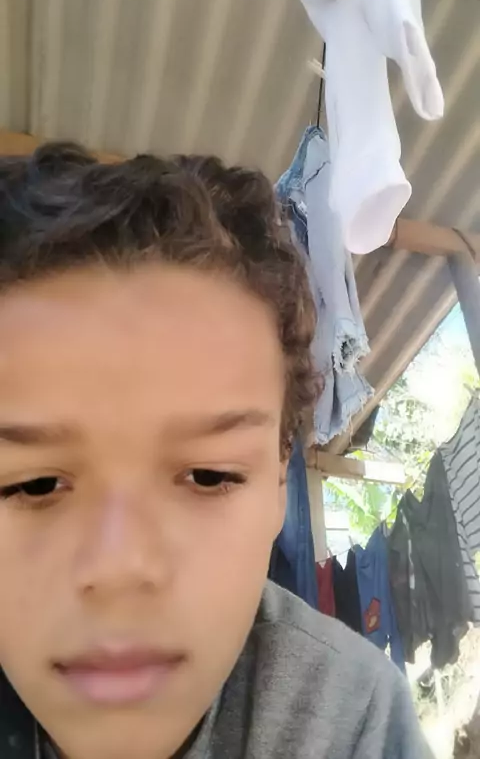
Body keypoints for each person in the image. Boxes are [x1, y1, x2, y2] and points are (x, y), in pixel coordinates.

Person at [0, 143, 432, 759]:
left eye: (209, 475)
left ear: (280, 486)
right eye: (33, 484)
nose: (122, 569)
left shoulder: (351, 720)